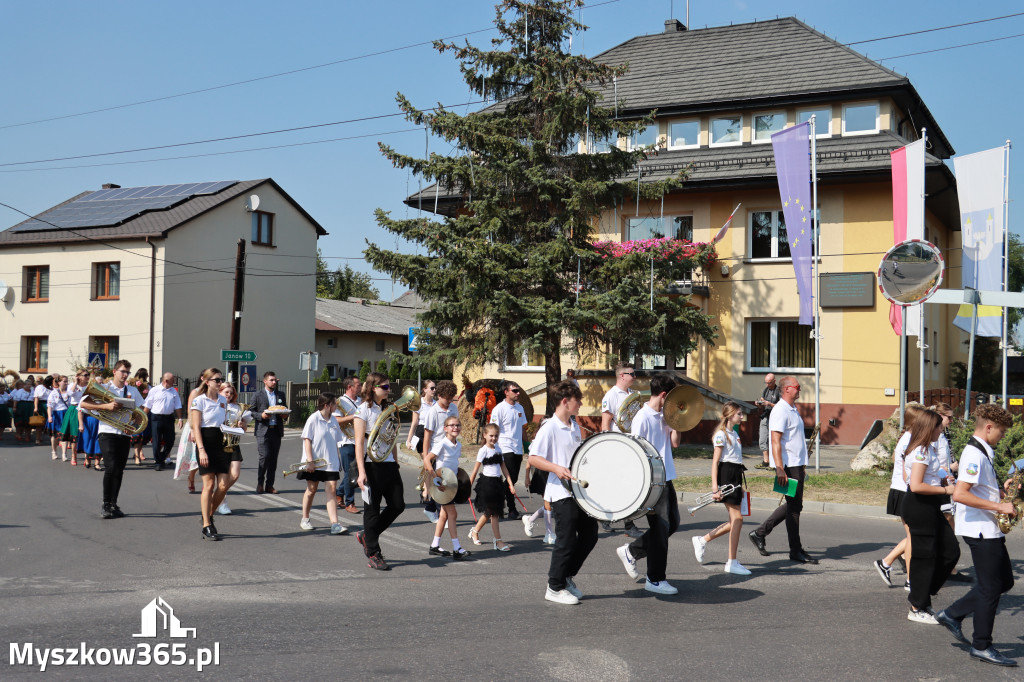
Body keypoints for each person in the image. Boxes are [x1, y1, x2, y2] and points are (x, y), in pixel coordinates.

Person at [938, 404, 1018, 667]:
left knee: (1004, 580)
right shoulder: (974, 454)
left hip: (988, 528)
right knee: (990, 588)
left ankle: (952, 613)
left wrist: (1000, 490)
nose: (1004, 436)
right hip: (980, 530)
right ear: (989, 427)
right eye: (1002, 431)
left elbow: (979, 488)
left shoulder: (983, 451)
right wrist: (1000, 506)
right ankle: (982, 645)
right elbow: (960, 494)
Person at [528, 380, 595, 605]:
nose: (581, 404)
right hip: (560, 492)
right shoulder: (550, 427)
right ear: (565, 402)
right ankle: (554, 587)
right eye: (578, 400)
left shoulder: (574, 426)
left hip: (579, 492)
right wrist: (557, 468)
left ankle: (565, 577)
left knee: (590, 535)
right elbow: (534, 457)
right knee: (565, 540)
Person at [616, 374, 684, 593]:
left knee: (672, 524)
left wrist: (678, 420)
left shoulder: (665, 416)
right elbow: (634, 454)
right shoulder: (642, 418)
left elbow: (674, 443)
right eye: (672, 397)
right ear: (664, 395)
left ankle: (631, 551)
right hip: (652, 482)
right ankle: (655, 579)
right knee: (661, 528)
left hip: (667, 476)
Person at [748, 376, 817, 564]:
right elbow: (775, 441)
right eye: (798, 387)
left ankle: (759, 533)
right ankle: (795, 550)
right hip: (787, 466)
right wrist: (779, 468)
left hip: (796, 464)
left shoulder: (792, 408)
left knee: (795, 505)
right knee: (794, 508)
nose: (800, 390)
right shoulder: (780, 410)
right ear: (786, 389)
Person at [901, 409, 959, 623]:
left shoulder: (928, 449)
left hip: (929, 504)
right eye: (938, 426)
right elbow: (915, 485)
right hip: (920, 506)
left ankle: (923, 596)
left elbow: (917, 476)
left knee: (950, 551)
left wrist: (942, 478)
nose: (942, 428)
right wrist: (946, 491)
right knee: (924, 558)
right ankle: (917, 606)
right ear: (929, 428)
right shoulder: (921, 451)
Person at [353, 373, 405, 571]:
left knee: (398, 505)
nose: (388, 389)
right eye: (384, 386)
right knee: (372, 511)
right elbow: (359, 442)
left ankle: (367, 535)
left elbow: (392, 436)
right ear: (373, 388)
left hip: (389, 463)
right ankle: (374, 553)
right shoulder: (362, 410)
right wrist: (361, 471)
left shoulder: (389, 408)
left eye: (389, 386)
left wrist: (396, 461)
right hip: (370, 464)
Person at [692, 401, 751, 575]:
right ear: (730, 414)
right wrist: (714, 487)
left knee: (736, 520)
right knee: (737, 518)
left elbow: (736, 459)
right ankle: (732, 562)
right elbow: (715, 462)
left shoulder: (735, 433)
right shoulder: (721, 434)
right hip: (726, 475)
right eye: (739, 413)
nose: (742, 416)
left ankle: (702, 540)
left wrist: (739, 485)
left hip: (736, 474)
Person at [873, 404, 927, 590]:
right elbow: (907, 473)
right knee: (914, 536)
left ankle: (887, 563)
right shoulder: (910, 439)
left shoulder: (909, 437)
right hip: (904, 490)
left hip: (904, 490)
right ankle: (909, 579)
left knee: (916, 536)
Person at [82, 360, 144, 519]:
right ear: (115, 371)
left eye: (128, 372)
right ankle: (105, 503)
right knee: (111, 467)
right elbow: (82, 404)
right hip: (107, 432)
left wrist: (131, 424)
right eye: (123, 371)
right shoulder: (104, 387)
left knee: (119, 470)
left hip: (124, 434)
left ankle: (114, 504)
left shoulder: (132, 390)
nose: (125, 375)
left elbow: (140, 413)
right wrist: (105, 407)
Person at [600, 363, 642, 538]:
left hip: (632, 444)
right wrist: (608, 446)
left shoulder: (634, 395)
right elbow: (605, 423)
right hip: (617, 445)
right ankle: (624, 522)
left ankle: (612, 517)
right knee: (619, 484)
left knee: (628, 484)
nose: (634, 376)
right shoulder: (611, 395)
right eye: (631, 374)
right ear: (621, 376)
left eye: (634, 373)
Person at [298, 392, 347, 535]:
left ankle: (335, 524)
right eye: (334, 403)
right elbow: (307, 439)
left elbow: (336, 442)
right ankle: (305, 518)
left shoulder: (334, 421)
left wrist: (338, 461)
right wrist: (310, 461)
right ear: (327, 405)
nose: (336, 405)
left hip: (330, 462)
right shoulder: (313, 418)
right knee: (312, 489)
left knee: (331, 490)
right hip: (315, 461)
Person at [190, 368, 229, 540]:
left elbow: (224, 421)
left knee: (223, 485)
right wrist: (201, 449)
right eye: (217, 380)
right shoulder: (199, 401)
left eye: (221, 380)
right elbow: (196, 427)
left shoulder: (223, 400)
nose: (220, 383)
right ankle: (207, 524)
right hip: (205, 442)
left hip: (221, 443)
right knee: (209, 484)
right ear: (207, 382)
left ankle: (208, 514)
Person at [427, 416, 471, 560]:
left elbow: (454, 466)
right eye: (451, 425)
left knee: (444, 516)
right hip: (441, 486)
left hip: (451, 485)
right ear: (445, 428)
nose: (455, 428)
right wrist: (435, 478)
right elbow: (427, 459)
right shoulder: (442, 444)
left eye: (457, 425)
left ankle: (434, 545)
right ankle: (456, 548)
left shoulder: (457, 445)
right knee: (453, 514)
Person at [468, 423, 516, 551]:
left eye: (496, 436)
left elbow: (504, 468)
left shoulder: (498, 449)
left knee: (490, 512)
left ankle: (475, 531)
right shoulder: (483, 450)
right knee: (494, 513)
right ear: (485, 435)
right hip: (486, 484)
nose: (493, 438)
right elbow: (475, 470)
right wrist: (468, 487)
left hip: (497, 483)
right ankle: (498, 541)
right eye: (491, 436)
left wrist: (510, 484)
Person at [420, 380, 459, 522]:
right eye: (447, 398)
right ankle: (442, 515)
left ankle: (430, 509)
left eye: (451, 398)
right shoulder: (433, 412)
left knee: (447, 483)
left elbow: (456, 427)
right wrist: (426, 458)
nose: (449, 401)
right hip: (437, 452)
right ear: (439, 395)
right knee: (441, 485)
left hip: (450, 451)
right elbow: (427, 436)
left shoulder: (453, 408)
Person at [490, 380, 527, 521]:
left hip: (518, 448)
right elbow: (492, 429)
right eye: (515, 391)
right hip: (504, 447)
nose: (518, 393)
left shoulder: (520, 408)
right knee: (510, 478)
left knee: (514, 478)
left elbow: (523, 428)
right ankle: (511, 509)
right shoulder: (499, 409)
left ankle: (496, 500)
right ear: (506, 392)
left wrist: (528, 446)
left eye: (518, 391)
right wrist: (491, 447)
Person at [215, 382, 252, 516]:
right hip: (219, 442)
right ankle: (222, 502)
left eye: (231, 393)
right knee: (222, 475)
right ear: (220, 392)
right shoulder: (217, 405)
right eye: (226, 392)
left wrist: (242, 425)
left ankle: (219, 492)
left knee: (235, 474)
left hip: (234, 443)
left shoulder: (238, 407)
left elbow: (245, 428)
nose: (229, 395)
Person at [252, 371, 287, 494]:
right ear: (265, 381)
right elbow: (251, 411)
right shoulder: (258, 395)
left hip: (276, 430)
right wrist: (261, 415)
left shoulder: (281, 394)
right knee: (265, 457)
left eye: (275, 380)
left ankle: (269, 485)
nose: (274, 382)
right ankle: (260, 483)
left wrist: (284, 415)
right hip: (263, 431)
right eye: (271, 380)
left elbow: (285, 410)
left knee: (273, 459)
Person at [333, 375, 362, 514]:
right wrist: (355, 416)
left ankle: (339, 493)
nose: (360, 387)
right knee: (351, 473)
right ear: (350, 387)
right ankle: (350, 503)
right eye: (358, 385)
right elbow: (337, 420)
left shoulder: (362, 401)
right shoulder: (340, 402)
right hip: (346, 441)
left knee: (357, 472)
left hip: (360, 440)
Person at [143, 372, 183, 472]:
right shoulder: (154, 390)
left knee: (170, 440)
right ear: (166, 381)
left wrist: (180, 419)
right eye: (172, 380)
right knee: (156, 441)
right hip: (156, 417)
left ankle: (161, 457)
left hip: (169, 418)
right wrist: (143, 418)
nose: (174, 382)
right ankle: (158, 462)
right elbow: (148, 405)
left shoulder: (173, 391)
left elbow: (178, 405)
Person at [60, 371, 89, 466]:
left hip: (87, 409)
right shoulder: (73, 385)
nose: (87, 377)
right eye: (85, 375)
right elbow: (69, 394)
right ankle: (73, 455)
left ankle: (87, 457)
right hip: (74, 409)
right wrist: (76, 382)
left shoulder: (89, 386)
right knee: (74, 434)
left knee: (87, 434)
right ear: (79, 376)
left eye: (88, 375)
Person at [755, 373, 781, 469]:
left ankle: (774, 463)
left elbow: (782, 406)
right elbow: (763, 401)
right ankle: (766, 461)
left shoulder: (779, 391)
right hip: (765, 416)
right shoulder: (766, 390)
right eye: (766, 383)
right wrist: (760, 403)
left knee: (773, 440)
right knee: (762, 438)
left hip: (775, 418)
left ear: (774, 381)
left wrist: (769, 404)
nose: (767, 385)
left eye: (769, 383)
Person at [46, 375, 72, 461]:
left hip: (66, 413)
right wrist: (49, 416)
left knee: (64, 434)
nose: (66, 383)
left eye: (67, 381)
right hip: (56, 414)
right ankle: (54, 451)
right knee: (54, 435)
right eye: (64, 381)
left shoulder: (69, 392)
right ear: (59, 382)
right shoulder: (54, 393)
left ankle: (64, 454)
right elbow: (49, 406)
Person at [129, 369, 151, 465]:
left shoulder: (148, 386)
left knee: (139, 436)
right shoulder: (130, 386)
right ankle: (137, 454)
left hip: (140, 411)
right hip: (129, 413)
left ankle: (138, 456)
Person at [32, 375, 54, 445]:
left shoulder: (52, 389)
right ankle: (38, 438)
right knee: (40, 423)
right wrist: (36, 407)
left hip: (50, 405)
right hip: (42, 405)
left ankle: (52, 439)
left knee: (50, 422)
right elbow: (36, 398)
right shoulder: (40, 387)